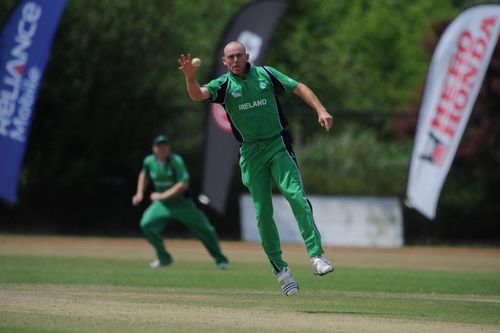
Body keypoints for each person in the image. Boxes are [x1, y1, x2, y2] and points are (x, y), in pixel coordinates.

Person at [178, 41, 334, 296]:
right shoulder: (224, 85)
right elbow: (197, 95)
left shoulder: (266, 74)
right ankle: (281, 272)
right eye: (231, 57)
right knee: (263, 213)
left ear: (247, 56)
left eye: (239, 55)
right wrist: (190, 77)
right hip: (250, 153)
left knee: (296, 197)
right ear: (224, 62)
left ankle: (316, 257)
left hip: (277, 145)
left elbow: (298, 87)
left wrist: (321, 109)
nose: (236, 60)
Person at [132, 135, 229, 270]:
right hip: (163, 205)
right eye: (160, 146)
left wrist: (162, 195)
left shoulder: (175, 161)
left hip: (182, 204)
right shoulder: (149, 161)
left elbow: (183, 184)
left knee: (206, 230)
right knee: (146, 224)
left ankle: (221, 260)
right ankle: (164, 258)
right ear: (154, 148)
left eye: (165, 145)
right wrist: (139, 193)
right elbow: (144, 174)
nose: (163, 148)